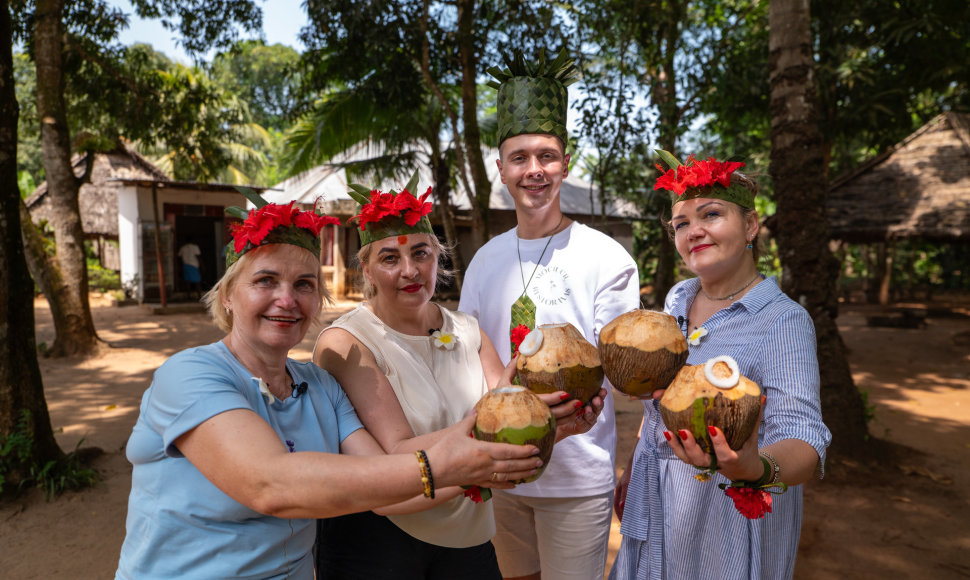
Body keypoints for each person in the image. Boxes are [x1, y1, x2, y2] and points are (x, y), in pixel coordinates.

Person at [114, 199, 544, 579]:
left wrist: (500, 440)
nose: (287, 299)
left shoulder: (318, 386)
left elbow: (384, 483)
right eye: (265, 281)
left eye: (304, 285)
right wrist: (450, 466)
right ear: (227, 296)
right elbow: (271, 486)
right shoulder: (189, 375)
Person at [312, 176, 603, 579]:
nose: (410, 270)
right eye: (390, 259)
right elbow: (398, 452)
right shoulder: (347, 344)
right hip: (381, 540)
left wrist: (556, 425)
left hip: (469, 535)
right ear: (366, 268)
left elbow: (507, 420)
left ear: (438, 256)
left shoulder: (468, 330)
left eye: (421, 253)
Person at [458, 49, 641, 580]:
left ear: (566, 163)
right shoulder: (485, 261)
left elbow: (624, 366)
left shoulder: (607, 257)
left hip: (577, 473)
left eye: (546, 156)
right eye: (519, 158)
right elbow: (472, 352)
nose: (533, 171)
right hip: (499, 466)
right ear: (501, 168)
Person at [609, 152, 832, 580]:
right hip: (655, 493)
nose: (694, 231)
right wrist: (635, 463)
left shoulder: (781, 319)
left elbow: (805, 439)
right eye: (681, 223)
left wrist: (754, 468)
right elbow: (661, 402)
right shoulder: (677, 299)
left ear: (750, 225)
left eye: (711, 214)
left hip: (722, 514)